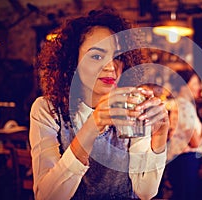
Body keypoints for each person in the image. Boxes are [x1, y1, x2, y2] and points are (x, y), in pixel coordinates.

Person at [29, 8, 169, 199]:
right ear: (73, 60)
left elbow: (145, 192)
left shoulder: (133, 106)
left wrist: (159, 137)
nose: (111, 66)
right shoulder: (48, 110)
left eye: (118, 57)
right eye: (96, 56)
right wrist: (92, 125)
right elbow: (47, 196)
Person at [161, 68, 202, 199]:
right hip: (186, 159)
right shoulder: (184, 106)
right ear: (185, 86)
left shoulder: (178, 104)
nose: (199, 87)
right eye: (195, 83)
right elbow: (194, 142)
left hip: (178, 159)